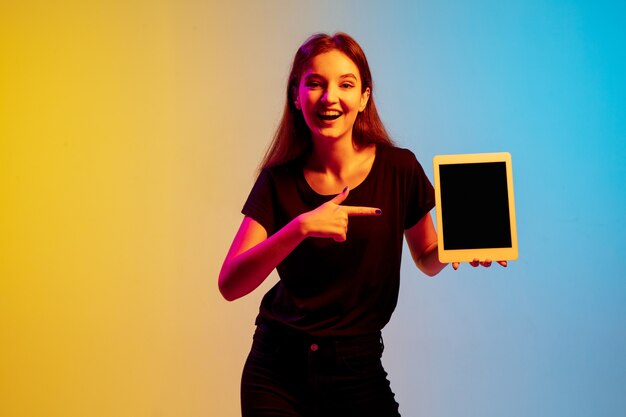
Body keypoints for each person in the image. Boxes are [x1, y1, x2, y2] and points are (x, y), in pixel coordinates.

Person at [218, 32, 504, 417]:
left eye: (346, 84)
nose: (329, 97)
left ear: (364, 97)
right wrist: (300, 227)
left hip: (357, 367)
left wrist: (460, 248)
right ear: (296, 96)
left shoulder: (399, 168)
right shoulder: (278, 180)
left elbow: (426, 256)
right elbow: (230, 284)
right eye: (315, 84)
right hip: (276, 368)